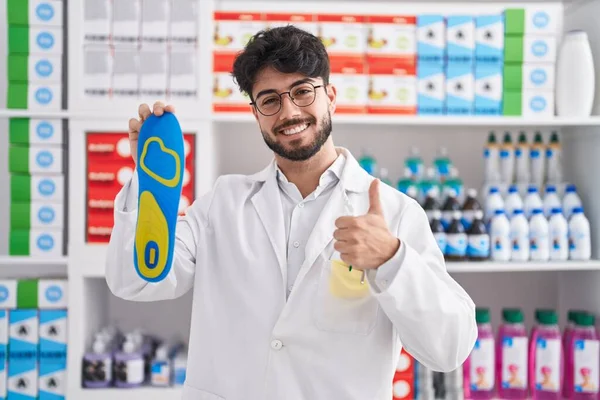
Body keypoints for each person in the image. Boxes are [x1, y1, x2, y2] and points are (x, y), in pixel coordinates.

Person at [106, 25, 477, 400]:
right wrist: (145, 185)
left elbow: (448, 348)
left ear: (330, 96)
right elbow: (136, 282)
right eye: (269, 100)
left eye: (302, 92)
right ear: (256, 113)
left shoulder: (395, 214)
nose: (289, 111)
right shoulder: (223, 203)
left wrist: (391, 260)